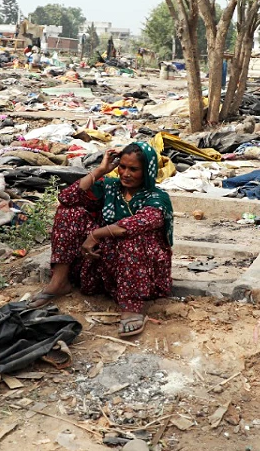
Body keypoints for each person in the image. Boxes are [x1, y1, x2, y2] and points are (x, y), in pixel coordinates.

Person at [29, 142, 174, 338]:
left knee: (131, 237)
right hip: (103, 262)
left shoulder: (157, 198)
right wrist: (100, 170)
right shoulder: (110, 187)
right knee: (69, 213)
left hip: (141, 272)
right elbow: (67, 198)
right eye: (122, 166)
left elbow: (135, 225)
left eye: (133, 169)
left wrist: (95, 235)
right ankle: (59, 282)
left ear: (147, 171)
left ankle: (131, 307)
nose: (125, 173)